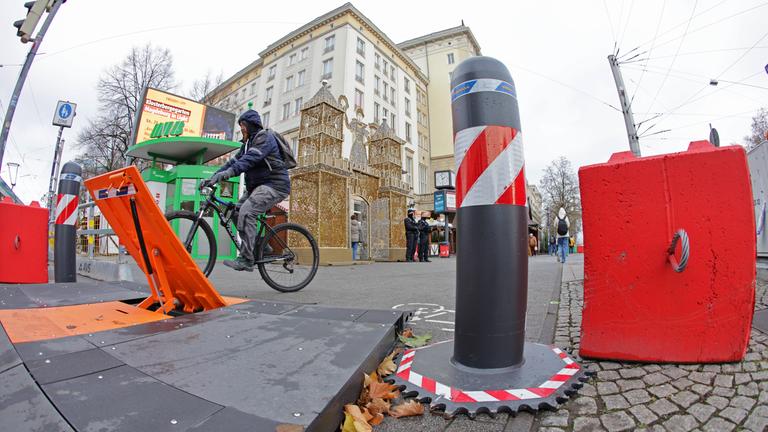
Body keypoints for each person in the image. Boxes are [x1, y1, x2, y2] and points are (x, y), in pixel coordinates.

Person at [201, 109, 290, 271]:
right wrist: (213, 177)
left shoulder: (264, 137)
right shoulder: (247, 144)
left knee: (247, 212)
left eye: (243, 125)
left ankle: (247, 259)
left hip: (275, 185)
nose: (241, 129)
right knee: (235, 212)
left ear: (251, 125)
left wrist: (226, 175)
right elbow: (232, 163)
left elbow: (249, 161)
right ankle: (261, 246)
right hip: (257, 187)